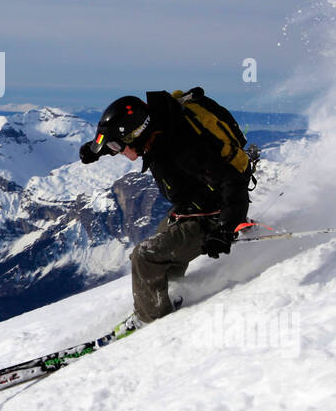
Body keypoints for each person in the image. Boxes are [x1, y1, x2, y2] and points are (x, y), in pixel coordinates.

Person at [80, 89, 255, 323]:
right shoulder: (159, 128)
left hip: (213, 216)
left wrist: (225, 229)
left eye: (117, 147)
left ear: (137, 135)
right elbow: (123, 139)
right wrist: (97, 151)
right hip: (190, 208)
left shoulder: (183, 149)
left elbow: (231, 181)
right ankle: (169, 298)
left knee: (145, 257)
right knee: (153, 257)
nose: (118, 152)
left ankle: (152, 323)